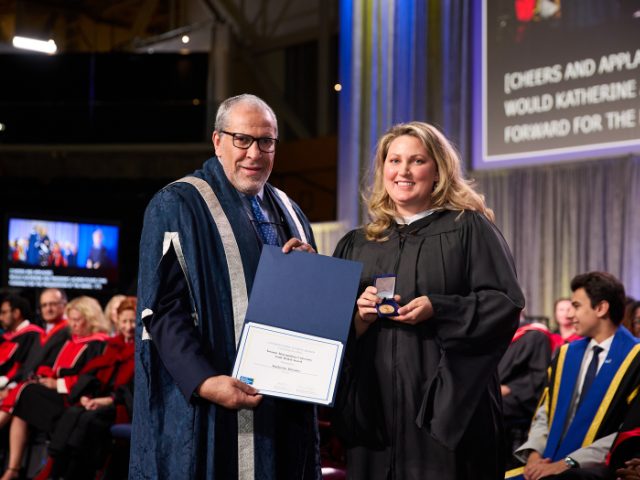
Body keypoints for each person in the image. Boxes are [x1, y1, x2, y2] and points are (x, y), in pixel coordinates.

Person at [131, 94, 320, 480]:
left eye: (266, 141)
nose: (255, 153)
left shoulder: (291, 212)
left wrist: (309, 272)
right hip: (214, 399)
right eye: (242, 140)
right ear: (217, 141)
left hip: (284, 401)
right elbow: (162, 311)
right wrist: (204, 381)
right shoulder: (178, 204)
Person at [331, 122, 525, 480]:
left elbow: (505, 303)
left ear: (437, 171)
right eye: (394, 160)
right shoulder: (356, 243)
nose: (402, 171)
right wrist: (359, 318)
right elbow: (332, 333)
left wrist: (439, 307)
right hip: (376, 420)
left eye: (416, 160)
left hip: (446, 414)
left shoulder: (468, 229)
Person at [507, 272, 640, 480]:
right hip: (547, 462)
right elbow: (545, 412)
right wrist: (533, 454)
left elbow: (630, 431)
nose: (570, 315)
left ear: (601, 308)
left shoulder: (635, 358)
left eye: (576, 306)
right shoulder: (566, 354)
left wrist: (568, 463)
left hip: (594, 468)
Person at [0, 296, 109, 480]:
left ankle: (14, 470)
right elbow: (54, 368)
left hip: (73, 398)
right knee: (23, 401)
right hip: (56, 394)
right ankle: (13, 469)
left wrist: (57, 384)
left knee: (24, 390)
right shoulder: (72, 341)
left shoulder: (99, 344)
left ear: (90, 319)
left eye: (77, 320)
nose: (72, 325)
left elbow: (91, 379)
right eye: (71, 319)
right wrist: (44, 377)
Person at [40, 296, 137, 480]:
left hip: (121, 405)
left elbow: (136, 388)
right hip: (98, 400)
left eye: (133, 321)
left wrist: (109, 400)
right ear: (118, 321)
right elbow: (91, 374)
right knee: (72, 413)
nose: (128, 326)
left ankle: (73, 475)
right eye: (124, 321)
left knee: (88, 421)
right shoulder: (113, 346)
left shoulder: (143, 350)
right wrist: (86, 395)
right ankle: (56, 471)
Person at [499, 321, 555, 420]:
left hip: (521, 399)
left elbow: (539, 376)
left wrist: (509, 388)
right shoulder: (495, 334)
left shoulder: (535, 334)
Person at [0, 295, 43, 389]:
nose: (1, 318)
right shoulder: (6, 338)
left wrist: (10, 385)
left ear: (16, 313)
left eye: (4, 313)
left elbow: (24, 368)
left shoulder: (34, 335)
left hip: (15, 386)